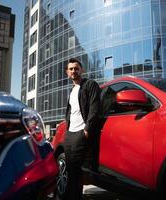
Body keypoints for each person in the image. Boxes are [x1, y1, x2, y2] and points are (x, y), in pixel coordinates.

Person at [64, 58, 101, 200]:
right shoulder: (72, 90)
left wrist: (87, 129)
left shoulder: (90, 85)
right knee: (70, 169)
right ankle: (70, 195)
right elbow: (70, 111)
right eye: (71, 69)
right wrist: (67, 128)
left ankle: (74, 197)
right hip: (70, 133)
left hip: (81, 132)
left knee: (75, 168)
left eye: (76, 68)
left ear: (81, 70)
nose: (74, 71)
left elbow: (94, 107)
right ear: (68, 72)